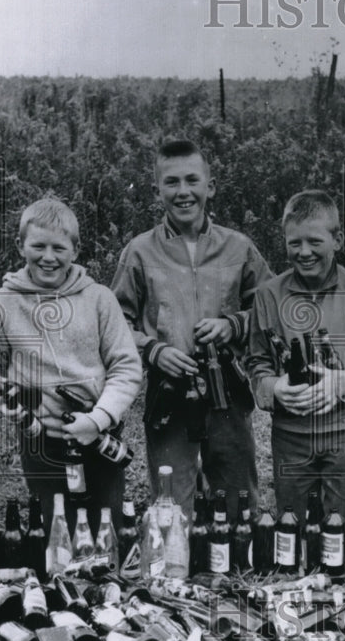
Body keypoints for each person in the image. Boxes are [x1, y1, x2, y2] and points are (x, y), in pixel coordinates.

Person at [111, 138, 273, 521]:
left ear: (209, 186)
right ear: (157, 191)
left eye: (192, 180)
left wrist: (233, 325)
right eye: (172, 183)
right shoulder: (139, 252)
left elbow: (273, 310)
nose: (183, 192)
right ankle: (176, 571)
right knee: (172, 502)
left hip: (227, 391)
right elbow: (114, 323)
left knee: (235, 501)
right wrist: (153, 350)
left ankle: (234, 569)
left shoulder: (239, 247)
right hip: (170, 395)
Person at [0, 198, 143, 539]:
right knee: (54, 542)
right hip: (40, 441)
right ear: (21, 246)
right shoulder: (1, 303)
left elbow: (126, 367)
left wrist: (98, 419)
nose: (49, 257)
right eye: (38, 246)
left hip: (98, 435)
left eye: (59, 248)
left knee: (105, 539)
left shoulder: (100, 299)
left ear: (75, 250)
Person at [246, 189, 345, 524]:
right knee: (294, 537)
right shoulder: (268, 296)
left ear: (337, 239)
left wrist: (342, 382)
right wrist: (273, 387)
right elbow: (256, 363)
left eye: (314, 242)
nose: (304, 252)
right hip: (290, 438)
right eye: (294, 243)